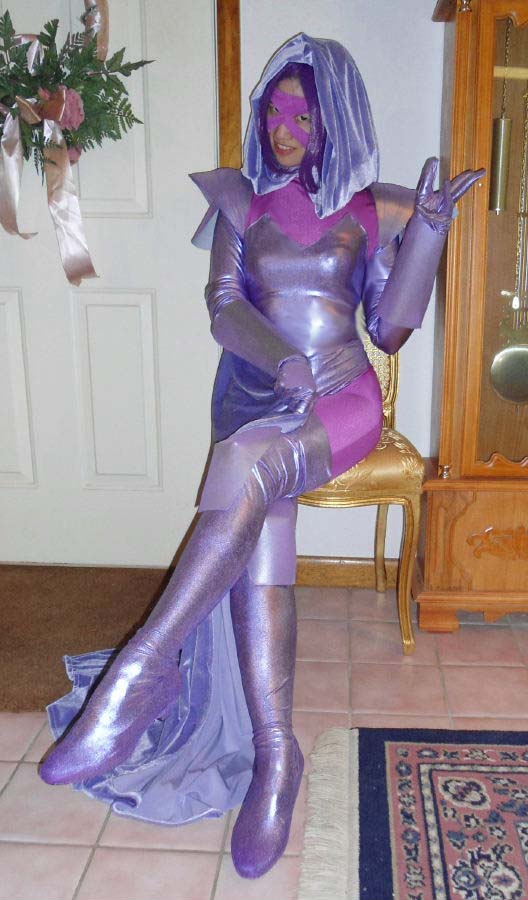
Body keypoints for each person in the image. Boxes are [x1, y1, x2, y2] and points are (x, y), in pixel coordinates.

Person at [39, 33, 483, 879]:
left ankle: (141, 674)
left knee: (253, 468)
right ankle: (277, 758)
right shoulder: (239, 201)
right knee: (262, 519)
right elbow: (222, 305)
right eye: (275, 112)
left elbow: (390, 329)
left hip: (342, 400)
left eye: (302, 117)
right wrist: (279, 359)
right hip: (258, 391)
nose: (283, 128)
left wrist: (426, 236)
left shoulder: (376, 210)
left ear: (333, 124)